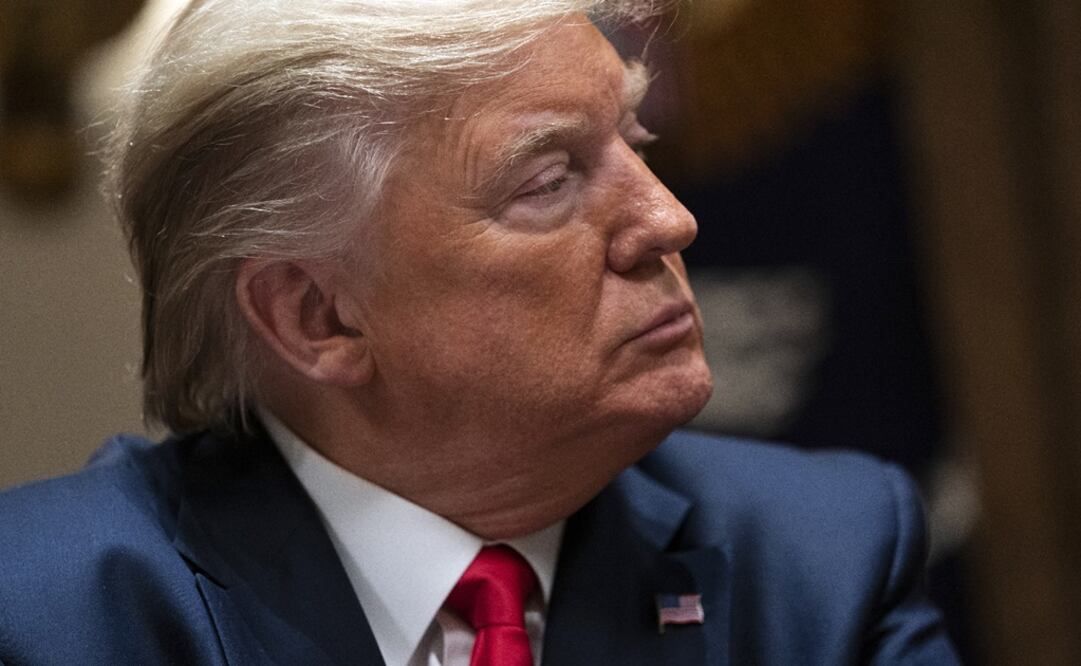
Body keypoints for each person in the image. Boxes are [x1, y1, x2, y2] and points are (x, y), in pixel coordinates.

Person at [0, 1, 959, 663]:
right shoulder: (49, 617)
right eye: (547, 182)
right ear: (318, 315)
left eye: (634, 144)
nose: (668, 220)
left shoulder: (823, 560)